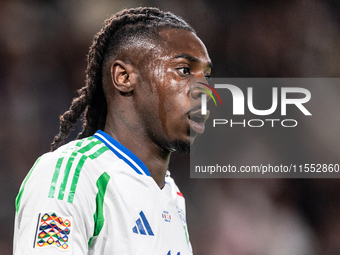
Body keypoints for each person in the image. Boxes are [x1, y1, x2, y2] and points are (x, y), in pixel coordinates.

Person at [13, 7, 212, 255]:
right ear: (124, 77)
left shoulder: (173, 198)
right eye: (184, 70)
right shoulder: (72, 175)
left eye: (206, 76)